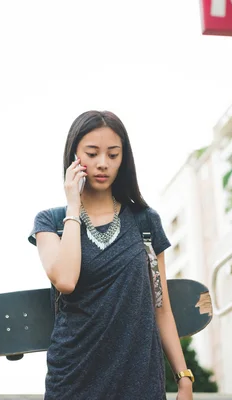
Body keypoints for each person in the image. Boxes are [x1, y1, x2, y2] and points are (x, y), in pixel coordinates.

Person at [29, 110, 193, 400]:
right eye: (91, 154)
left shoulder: (145, 222)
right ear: (73, 158)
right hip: (73, 378)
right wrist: (72, 206)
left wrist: (184, 378)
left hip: (139, 378)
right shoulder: (50, 223)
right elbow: (66, 279)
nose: (103, 163)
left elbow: (160, 306)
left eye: (113, 154)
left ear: (123, 159)